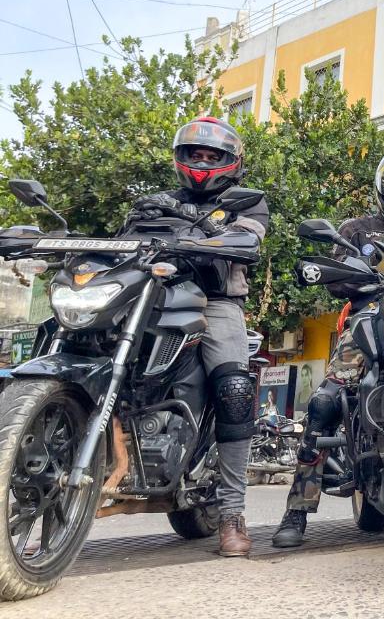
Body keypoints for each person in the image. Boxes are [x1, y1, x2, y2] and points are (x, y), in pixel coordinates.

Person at [272, 147, 384, 548]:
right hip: (369, 320)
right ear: (383, 191)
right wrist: (356, 277)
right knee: (324, 403)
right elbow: (336, 274)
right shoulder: (357, 229)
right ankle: (296, 510)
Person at [124, 116, 268, 557]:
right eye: (195, 154)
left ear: (232, 162)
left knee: (235, 387)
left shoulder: (245, 202)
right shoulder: (153, 202)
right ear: (181, 158)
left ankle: (232, 514)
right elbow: (123, 242)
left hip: (215, 302)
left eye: (213, 156)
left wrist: (209, 236)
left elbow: (248, 242)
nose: (203, 161)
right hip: (151, 297)